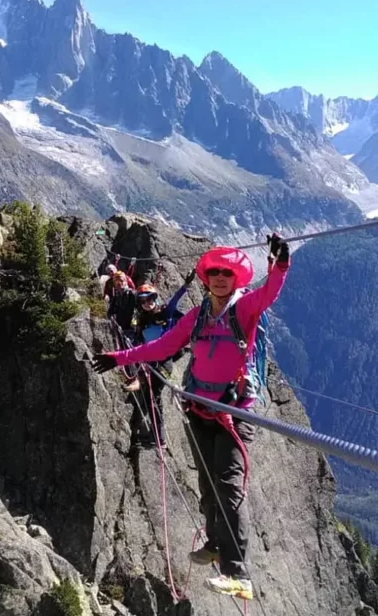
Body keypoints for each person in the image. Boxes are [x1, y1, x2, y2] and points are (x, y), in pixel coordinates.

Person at [93, 235, 290, 601]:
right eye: (213, 272)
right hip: (200, 410)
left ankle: (237, 573)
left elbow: (269, 295)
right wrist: (120, 358)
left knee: (229, 486)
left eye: (226, 273)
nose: (219, 277)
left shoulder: (243, 309)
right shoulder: (198, 316)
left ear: (236, 279)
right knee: (208, 483)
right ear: (205, 278)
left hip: (233, 413)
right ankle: (215, 542)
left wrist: (279, 265)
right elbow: (163, 346)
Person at [130, 272, 194, 449]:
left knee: (154, 398)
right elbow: (142, 341)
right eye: (143, 301)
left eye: (150, 299)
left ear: (155, 298)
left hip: (163, 362)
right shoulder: (142, 321)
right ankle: (158, 436)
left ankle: (159, 438)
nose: (147, 303)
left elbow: (174, 302)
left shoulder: (165, 314)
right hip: (151, 362)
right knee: (152, 397)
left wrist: (185, 286)